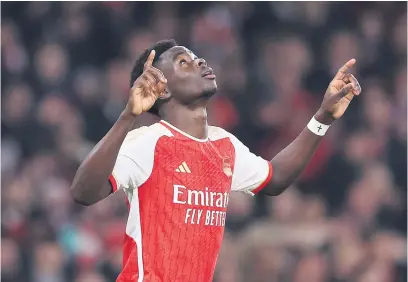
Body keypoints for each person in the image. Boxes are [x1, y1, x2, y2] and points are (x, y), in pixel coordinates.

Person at [70, 39, 362, 282]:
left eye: (196, 58)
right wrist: (128, 115)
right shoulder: (149, 141)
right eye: (183, 62)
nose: (199, 62)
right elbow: (83, 192)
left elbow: (276, 178)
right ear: (163, 89)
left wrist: (322, 117)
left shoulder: (224, 145)